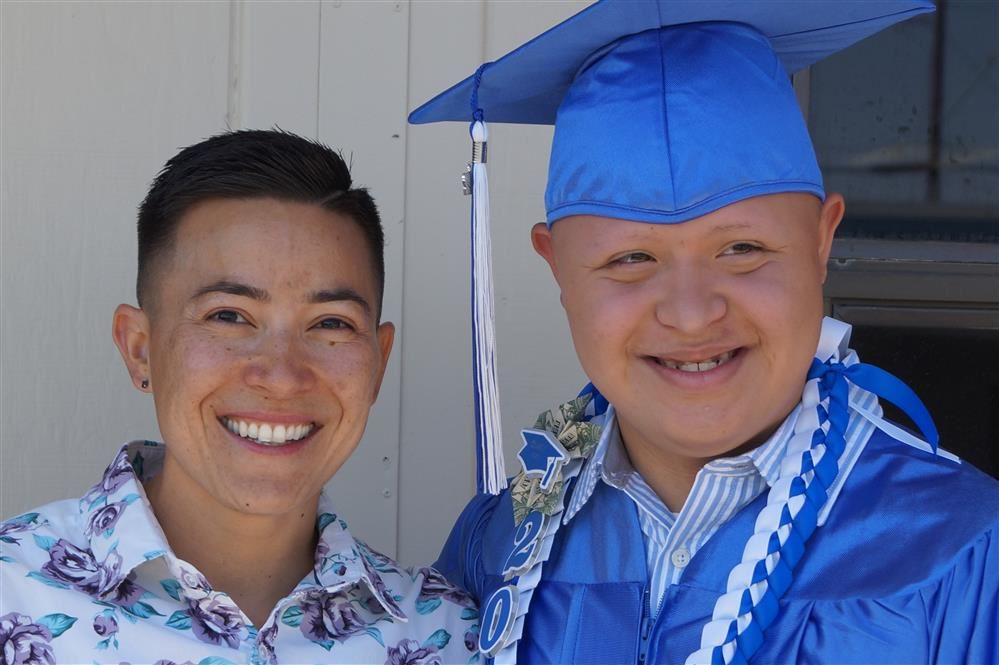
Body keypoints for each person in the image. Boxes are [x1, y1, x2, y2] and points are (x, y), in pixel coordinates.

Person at [408, 1, 999, 663]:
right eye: (629, 259)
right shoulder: (497, 545)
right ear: (557, 269)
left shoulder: (962, 551)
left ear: (819, 242)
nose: (690, 314)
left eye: (742, 248)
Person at [0, 130, 479, 664]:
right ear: (140, 348)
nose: (281, 375)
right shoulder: (13, 598)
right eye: (228, 316)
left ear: (378, 362)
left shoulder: (447, 636)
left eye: (330, 324)